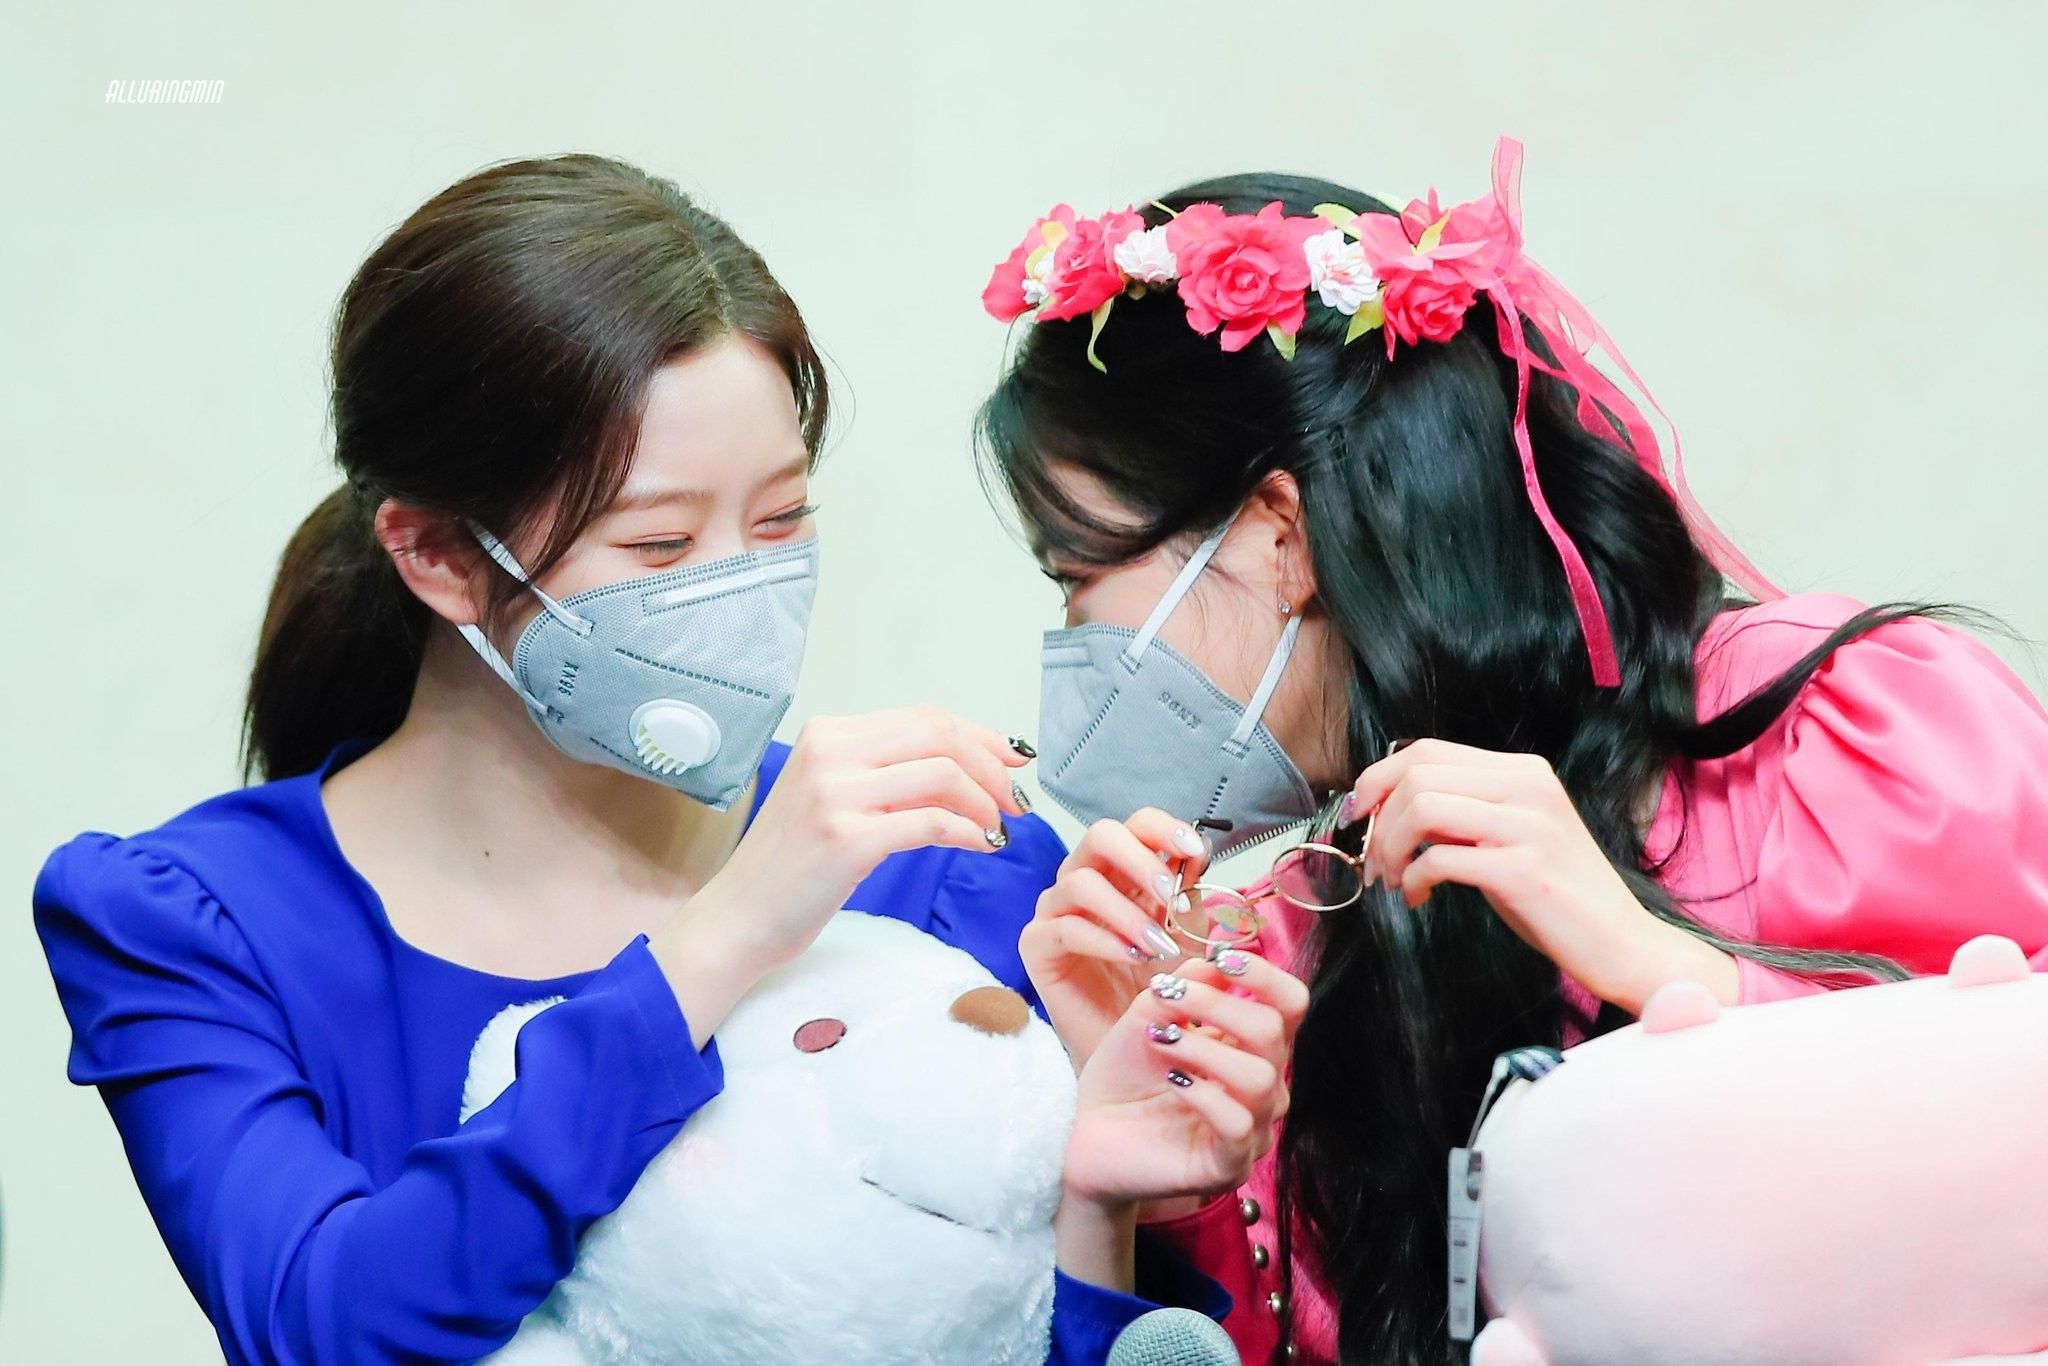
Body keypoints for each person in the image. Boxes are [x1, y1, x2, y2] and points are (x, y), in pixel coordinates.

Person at [32, 153, 1303, 1364]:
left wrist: (1098, 1189)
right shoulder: (193, 923)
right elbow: (324, 1324)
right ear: (438, 555)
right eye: (657, 546)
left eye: (781, 519)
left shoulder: (946, 862)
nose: (742, 592)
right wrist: (722, 936)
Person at [971, 138, 2048, 1363]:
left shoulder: (1833, 731)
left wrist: (1668, 971)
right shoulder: (1299, 927)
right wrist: (1142, 1173)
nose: (1074, 641)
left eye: (1076, 576)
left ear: (1278, 539)